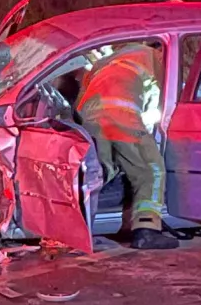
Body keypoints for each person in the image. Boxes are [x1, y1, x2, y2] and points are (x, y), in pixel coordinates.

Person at [74, 43, 177, 246]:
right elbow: (166, 100)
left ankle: (76, 227)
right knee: (151, 169)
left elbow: (85, 86)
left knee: (101, 172)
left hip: (90, 116)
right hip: (122, 115)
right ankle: (147, 229)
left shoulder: (113, 57)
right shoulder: (157, 58)